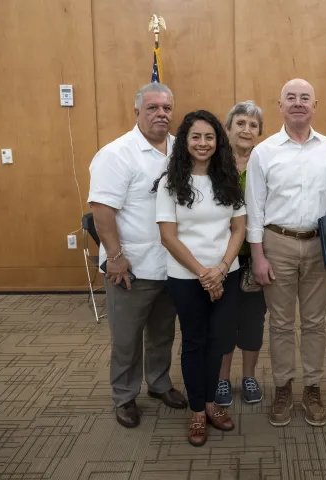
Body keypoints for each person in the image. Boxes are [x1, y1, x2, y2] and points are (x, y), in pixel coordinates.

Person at [245, 78, 326, 427]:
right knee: (279, 322)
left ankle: (312, 386)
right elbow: (255, 209)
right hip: (276, 244)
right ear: (279, 106)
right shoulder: (263, 152)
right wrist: (258, 256)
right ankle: (282, 387)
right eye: (290, 97)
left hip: (319, 245)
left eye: (304, 97)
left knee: (315, 322)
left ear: (314, 104)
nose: (297, 103)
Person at [88, 82, 188, 429]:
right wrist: (114, 257)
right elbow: (102, 210)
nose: (161, 114)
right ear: (137, 112)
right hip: (130, 267)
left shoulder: (181, 150)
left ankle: (159, 384)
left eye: (166, 108)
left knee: (163, 332)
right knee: (128, 338)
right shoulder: (116, 154)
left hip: (171, 265)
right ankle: (125, 396)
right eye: (152, 108)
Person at [155, 110, 246, 447]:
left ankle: (211, 402)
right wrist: (202, 274)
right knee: (195, 342)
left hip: (227, 274)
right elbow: (168, 236)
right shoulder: (170, 182)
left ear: (218, 141)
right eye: (196, 137)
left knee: (220, 342)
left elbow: (239, 227)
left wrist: (221, 268)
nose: (203, 143)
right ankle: (197, 410)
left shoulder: (227, 177)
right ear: (185, 141)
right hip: (185, 277)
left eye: (210, 137)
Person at [214, 101, 267, 406]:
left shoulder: (265, 162)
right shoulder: (213, 163)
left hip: (255, 257)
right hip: (219, 258)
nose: (247, 130)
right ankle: (222, 379)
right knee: (223, 321)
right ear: (228, 128)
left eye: (253, 125)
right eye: (241, 123)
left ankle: (249, 376)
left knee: (252, 321)